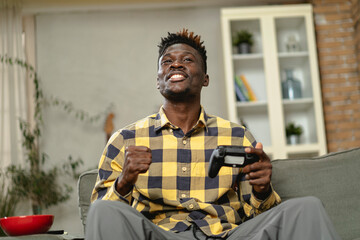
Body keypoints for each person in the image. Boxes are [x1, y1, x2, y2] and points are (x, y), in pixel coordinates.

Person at [86, 29, 340, 240]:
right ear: (158, 80)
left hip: (229, 235)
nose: (176, 63)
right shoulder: (125, 139)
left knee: (307, 207)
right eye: (167, 61)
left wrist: (262, 189)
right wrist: (125, 181)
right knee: (104, 210)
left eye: (187, 60)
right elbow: (102, 215)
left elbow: (258, 214)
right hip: (160, 235)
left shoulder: (238, 137)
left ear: (205, 79)